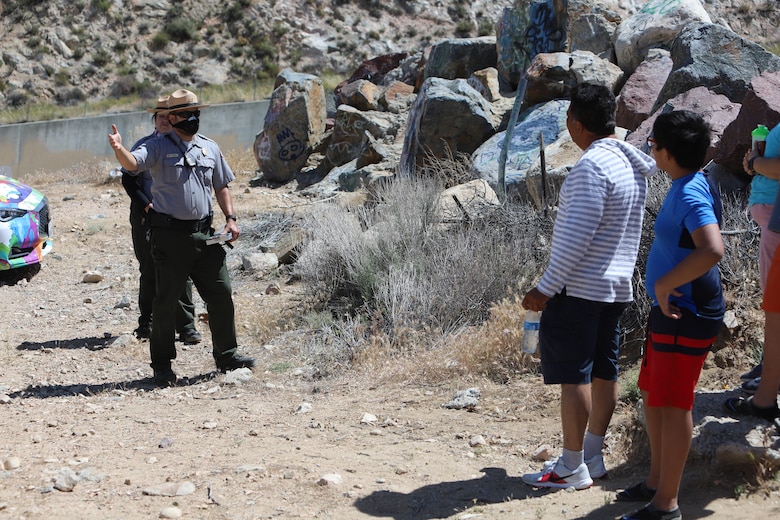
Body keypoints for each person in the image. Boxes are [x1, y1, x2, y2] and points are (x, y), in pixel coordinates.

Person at [521, 83, 656, 490]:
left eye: (568, 122)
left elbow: (574, 239)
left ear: (577, 125)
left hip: (579, 289)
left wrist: (543, 289)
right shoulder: (631, 165)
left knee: (574, 378)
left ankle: (571, 465)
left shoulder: (590, 169)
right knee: (604, 372)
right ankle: (593, 456)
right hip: (615, 289)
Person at [108, 88, 255, 386]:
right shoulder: (158, 146)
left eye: (196, 113)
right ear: (171, 118)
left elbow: (222, 186)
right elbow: (134, 165)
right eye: (186, 114)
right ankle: (162, 365)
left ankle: (227, 355)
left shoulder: (209, 148)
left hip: (205, 234)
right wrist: (118, 149)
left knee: (221, 294)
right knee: (165, 302)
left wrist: (231, 218)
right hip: (170, 236)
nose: (193, 118)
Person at [618, 110, 725, 520]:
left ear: (668, 151)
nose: (650, 149)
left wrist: (663, 286)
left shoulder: (690, 193)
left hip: (686, 311)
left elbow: (713, 249)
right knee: (653, 393)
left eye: (654, 144)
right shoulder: (690, 182)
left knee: (674, 403)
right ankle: (655, 482)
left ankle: (666, 505)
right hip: (673, 311)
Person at [121, 95, 201, 345]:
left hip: (176, 219)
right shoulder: (145, 146)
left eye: (170, 116)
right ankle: (147, 322)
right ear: (154, 120)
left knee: (182, 271)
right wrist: (147, 206)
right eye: (160, 116)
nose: (165, 120)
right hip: (146, 216)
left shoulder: (189, 145)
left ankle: (186, 326)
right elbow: (129, 178)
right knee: (149, 269)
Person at [736, 122, 780, 392]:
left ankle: (771, 374)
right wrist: (755, 164)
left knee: (775, 299)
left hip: (777, 219)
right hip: (772, 219)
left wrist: (756, 161)